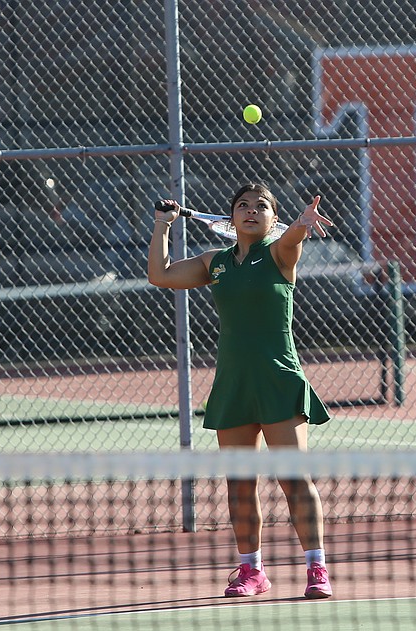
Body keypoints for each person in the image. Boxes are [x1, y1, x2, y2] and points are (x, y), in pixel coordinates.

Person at [147, 182, 335, 599]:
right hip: (233, 385)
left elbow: (291, 240)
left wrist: (302, 225)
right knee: (240, 484)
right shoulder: (214, 263)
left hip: (278, 381)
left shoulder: (280, 254)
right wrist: (162, 225)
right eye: (243, 206)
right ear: (231, 219)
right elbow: (159, 275)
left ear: (273, 218)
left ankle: (316, 569)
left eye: (262, 206)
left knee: (294, 478)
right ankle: (253, 571)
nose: (252, 211)